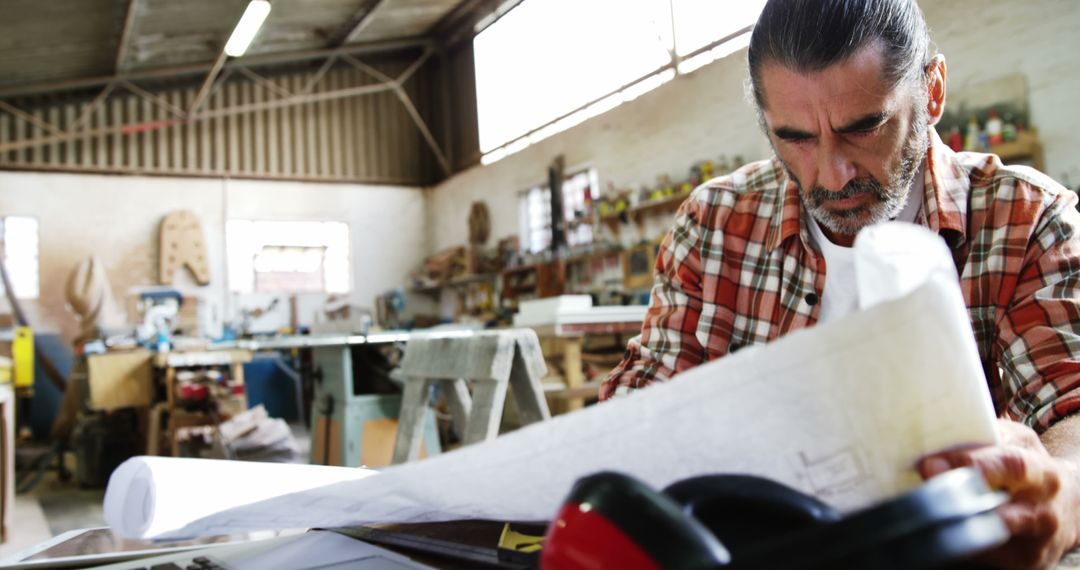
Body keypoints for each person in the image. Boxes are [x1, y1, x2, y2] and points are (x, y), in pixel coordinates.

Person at [600, 0, 1080, 567]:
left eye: (864, 128)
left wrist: (1064, 489)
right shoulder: (714, 224)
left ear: (932, 91)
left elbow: (1070, 406)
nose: (832, 175)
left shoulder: (1024, 217)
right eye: (796, 137)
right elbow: (645, 399)